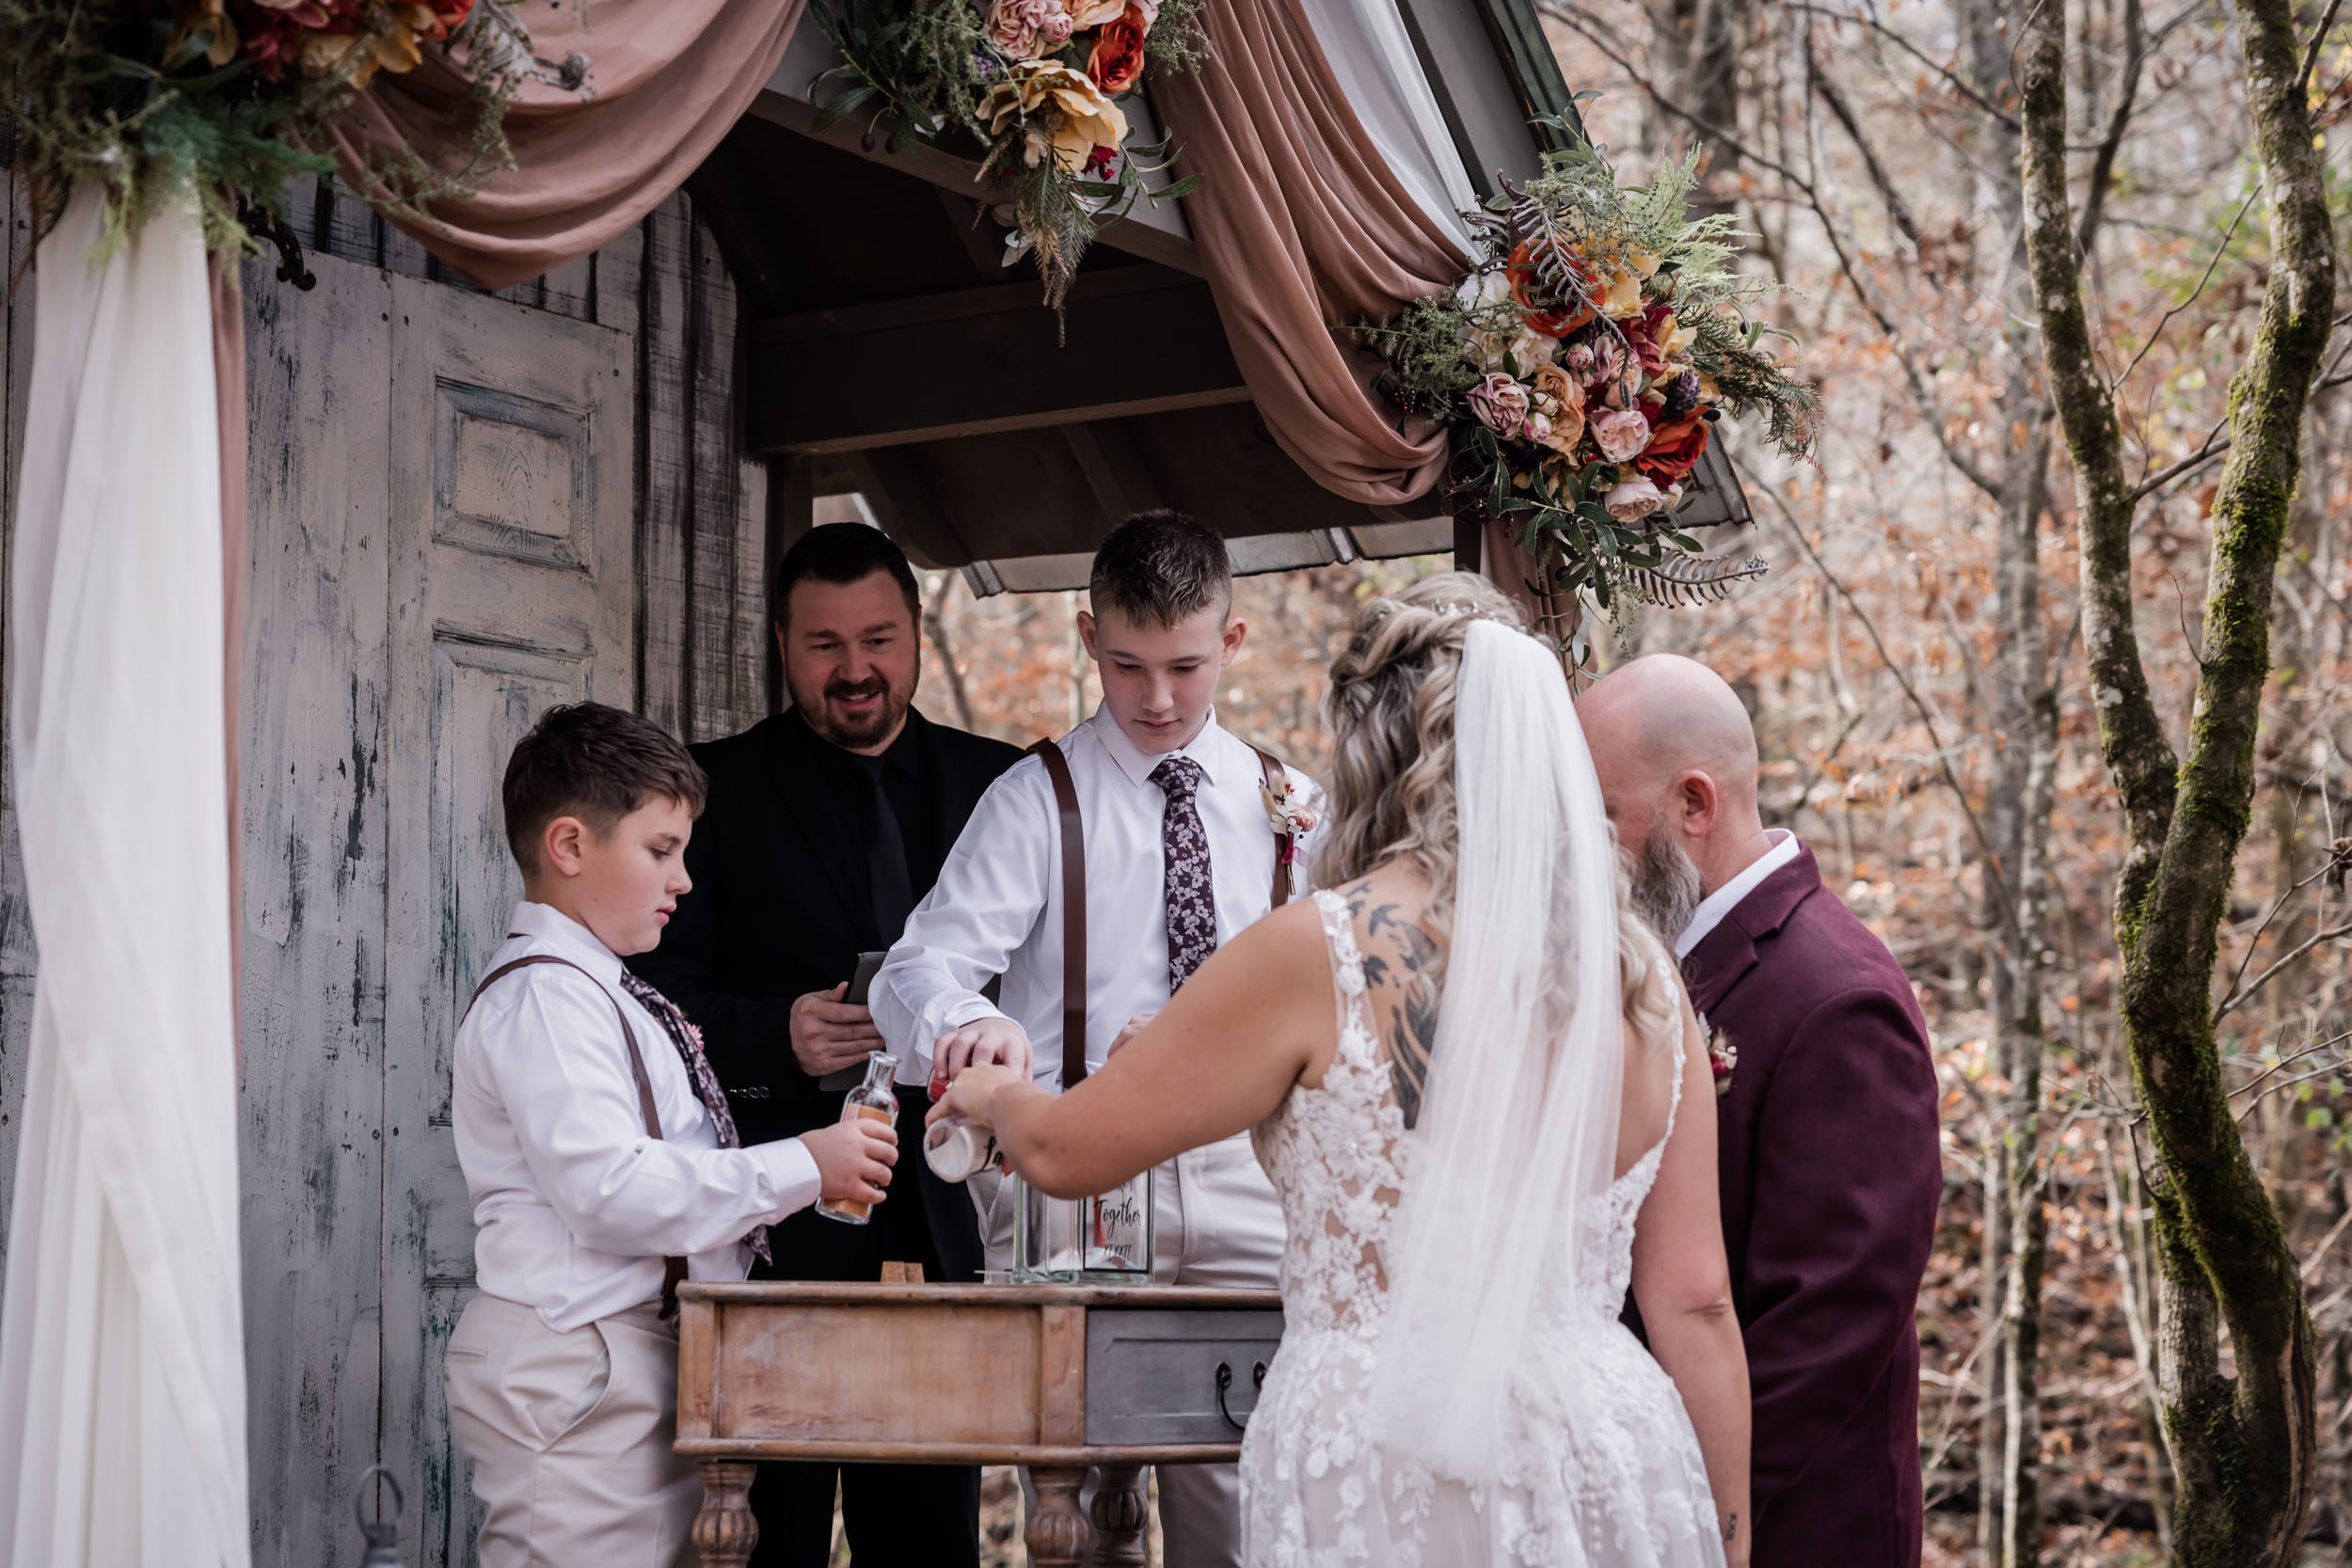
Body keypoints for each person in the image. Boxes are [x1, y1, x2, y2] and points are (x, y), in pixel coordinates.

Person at [930, 575, 1752, 1566]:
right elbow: (1697, 1302)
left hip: (1384, 1454)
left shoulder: (1316, 951)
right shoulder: (1642, 975)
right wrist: (1729, 1537)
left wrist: (996, 1095)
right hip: (1606, 1449)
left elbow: (1068, 1150)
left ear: (1370, 748)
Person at [872, 508, 1318, 1566]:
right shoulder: (1036, 798)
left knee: (1246, 1503)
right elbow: (913, 970)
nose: (1157, 698)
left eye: (1185, 666)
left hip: (1250, 1176)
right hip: (1073, 1179)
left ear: (1234, 640)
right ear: (1087, 637)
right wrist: (971, 1021)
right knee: (1071, 1506)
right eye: (1127, 666)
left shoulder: (1295, 804)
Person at [628, 523, 1023, 1566]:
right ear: (780, 643)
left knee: (932, 1547)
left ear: (918, 633)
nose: (855, 669)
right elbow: (649, 999)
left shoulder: (1005, 785)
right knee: (772, 1542)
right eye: (824, 644)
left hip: (950, 1219)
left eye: (878, 639)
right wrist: (777, 1035)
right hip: (773, 1234)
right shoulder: (712, 792)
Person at [442, 702, 898, 1568]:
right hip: (579, 1361)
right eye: (661, 850)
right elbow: (611, 1192)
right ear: (569, 846)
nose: (683, 880)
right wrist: (805, 1162)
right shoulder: (548, 998)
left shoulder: (598, 987)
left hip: (628, 1357)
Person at [1578, 654, 1942, 1568]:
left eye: (1604, 814)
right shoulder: (1656, 958)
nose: (1583, 847)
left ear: (1693, 804)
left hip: (1792, 1522)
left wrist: (1686, 1496)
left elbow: (1834, 1319)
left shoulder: (1838, 996)